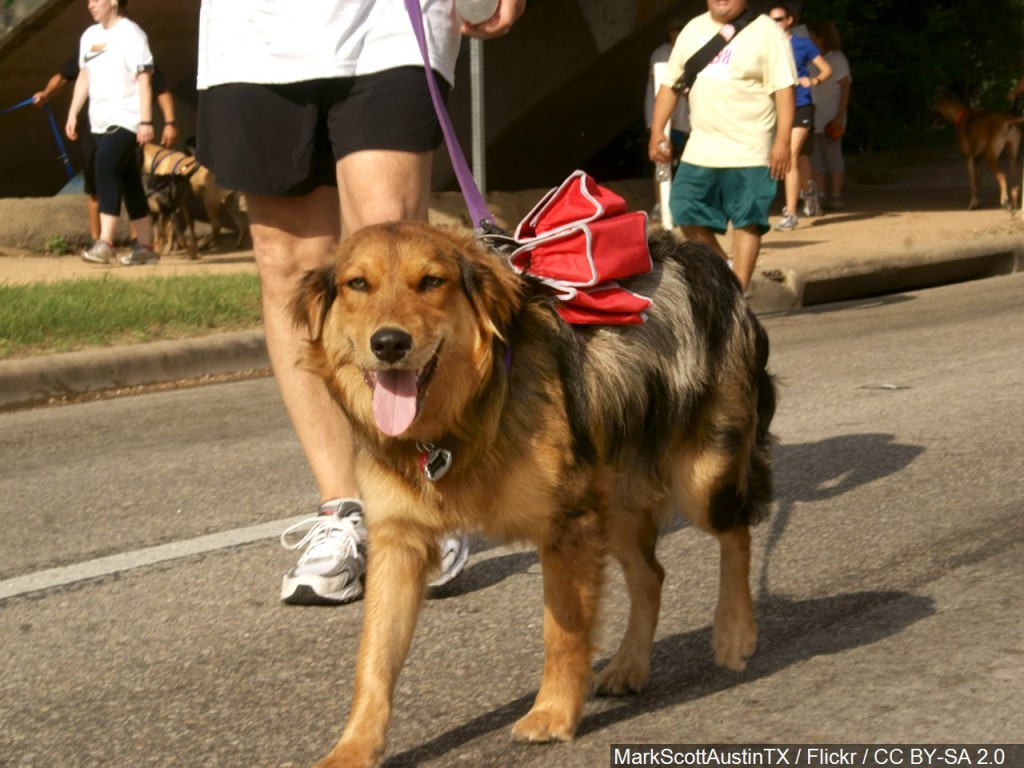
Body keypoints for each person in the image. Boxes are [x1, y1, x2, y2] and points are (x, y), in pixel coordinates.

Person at [195, 0, 525, 606]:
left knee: (390, 247)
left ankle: (418, 500)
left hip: (390, 21)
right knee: (289, 266)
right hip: (254, 30)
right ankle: (345, 508)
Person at [649, 0, 796, 292]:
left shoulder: (767, 31)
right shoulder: (693, 29)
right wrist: (656, 131)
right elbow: (670, 85)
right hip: (701, 147)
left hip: (751, 148)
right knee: (685, 213)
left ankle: (738, 293)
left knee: (748, 221)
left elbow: (784, 89)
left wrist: (782, 142)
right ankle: (729, 276)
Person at [36, 50, 178, 244]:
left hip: (129, 127)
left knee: (131, 184)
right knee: (94, 187)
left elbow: (160, 87)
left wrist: (170, 123)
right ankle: (98, 241)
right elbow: (63, 77)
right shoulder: (91, 43)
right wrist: (46, 95)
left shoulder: (133, 43)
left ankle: (138, 242)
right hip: (94, 130)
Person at [65, 0, 157, 267]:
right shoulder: (90, 36)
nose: (90, 5)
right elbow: (84, 77)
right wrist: (73, 112)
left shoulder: (132, 34)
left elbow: (144, 80)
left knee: (103, 166)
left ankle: (105, 243)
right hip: (98, 121)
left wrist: (146, 121)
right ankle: (146, 247)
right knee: (129, 180)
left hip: (127, 119)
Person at [771, 2, 830, 231]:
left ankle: (791, 214)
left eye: (778, 19)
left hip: (802, 105)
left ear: (789, 21)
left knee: (790, 157)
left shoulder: (802, 44)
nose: (774, 24)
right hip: (779, 108)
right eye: (771, 20)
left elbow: (826, 70)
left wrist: (813, 81)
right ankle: (809, 192)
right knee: (800, 158)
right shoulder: (767, 47)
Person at [644, 14, 691, 220]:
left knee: (681, 162)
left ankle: (677, 203)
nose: (678, 34)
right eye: (675, 30)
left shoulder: (689, 51)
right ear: (669, 33)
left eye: (682, 30)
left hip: (684, 119)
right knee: (662, 162)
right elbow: (662, 87)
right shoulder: (662, 53)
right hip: (664, 119)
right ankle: (659, 203)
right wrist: (661, 119)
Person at [808, 20, 851, 211]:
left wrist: (840, 115)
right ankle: (822, 195)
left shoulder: (837, 58)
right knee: (816, 158)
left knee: (833, 156)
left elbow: (845, 86)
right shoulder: (809, 59)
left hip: (832, 116)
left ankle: (836, 195)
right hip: (813, 116)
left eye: (814, 36)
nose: (811, 39)